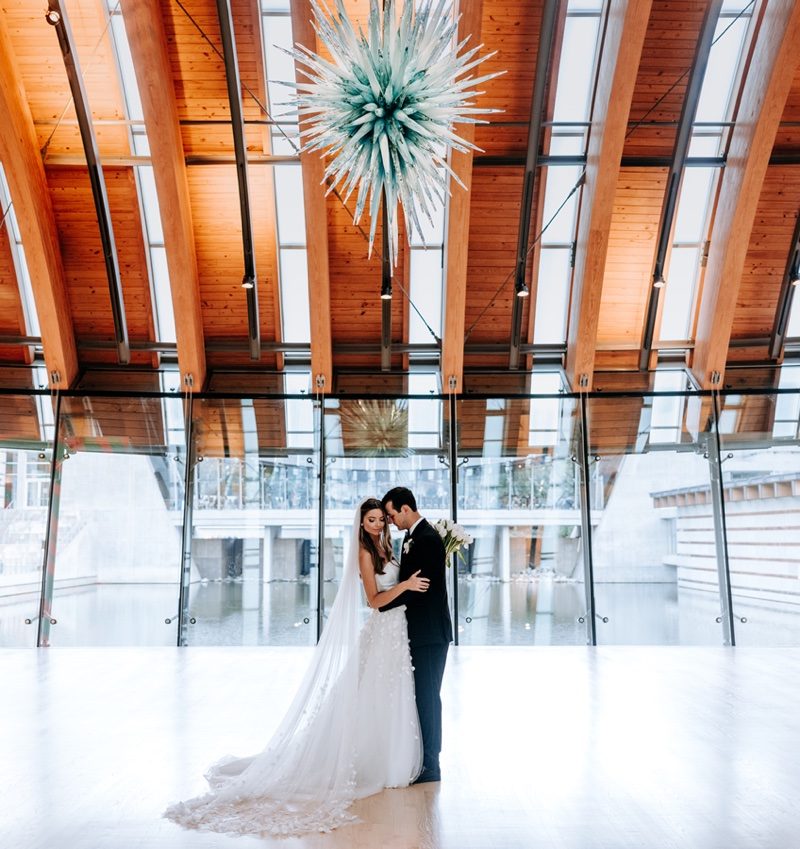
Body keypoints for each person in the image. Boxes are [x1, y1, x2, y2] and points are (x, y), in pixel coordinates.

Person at [164, 498, 429, 837]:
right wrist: (405, 586)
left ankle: (391, 761)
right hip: (382, 630)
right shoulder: (364, 554)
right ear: (361, 524)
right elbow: (373, 602)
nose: (378, 524)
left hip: (397, 632)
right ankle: (367, 763)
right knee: (373, 695)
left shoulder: (388, 546)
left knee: (390, 697)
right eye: (372, 520)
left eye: (381, 519)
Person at [380, 486, 452, 784]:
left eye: (392, 514)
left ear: (406, 509)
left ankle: (431, 765)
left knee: (428, 697)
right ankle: (422, 758)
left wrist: (380, 604)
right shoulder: (412, 537)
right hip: (418, 631)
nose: (390, 521)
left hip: (430, 633)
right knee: (421, 695)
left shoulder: (427, 539)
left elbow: (419, 587)